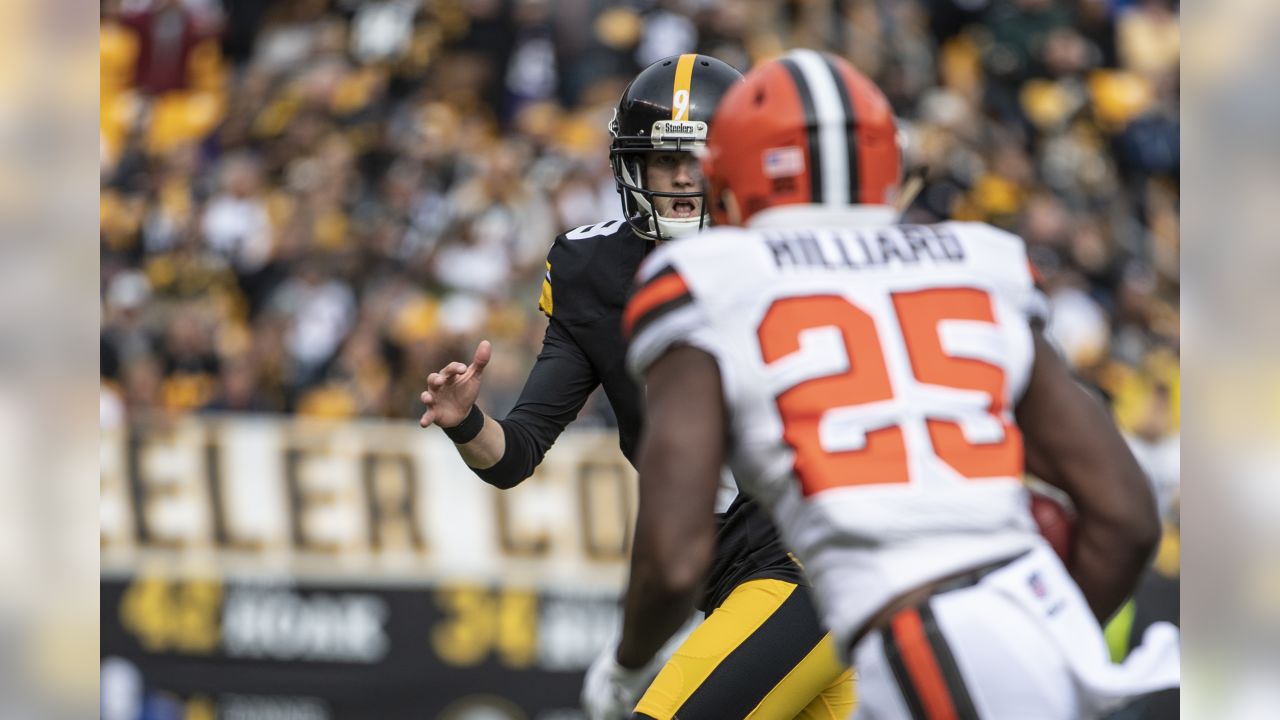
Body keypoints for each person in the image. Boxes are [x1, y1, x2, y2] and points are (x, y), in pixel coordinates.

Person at [617, 49, 1180, 719]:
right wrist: (1034, 637)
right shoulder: (976, 260)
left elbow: (673, 559)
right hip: (1023, 618)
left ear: (730, 171)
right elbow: (1125, 517)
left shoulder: (710, 281)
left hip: (915, 631)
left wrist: (624, 667)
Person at [419, 54, 854, 720]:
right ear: (630, 167)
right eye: (660, 160)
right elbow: (517, 454)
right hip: (730, 573)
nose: (680, 177)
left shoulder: (786, 256)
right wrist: (465, 421)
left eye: (698, 159)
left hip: (810, 559)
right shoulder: (592, 270)